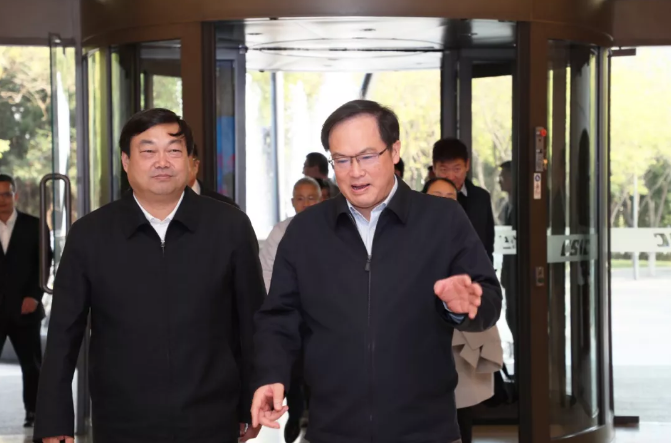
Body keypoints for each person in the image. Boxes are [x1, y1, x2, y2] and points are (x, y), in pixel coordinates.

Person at [251, 100, 501, 443]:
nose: (355, 172)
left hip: (427, 431)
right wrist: (270, 374)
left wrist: (462, 306)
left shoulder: (443, 220)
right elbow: (279, 317)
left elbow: (488, 300)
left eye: (367, 156)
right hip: (332, 430)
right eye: (341, 160)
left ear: (394, 151)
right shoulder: (306, 232)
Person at [34, 109, 265, 443]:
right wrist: (54, 421)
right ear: (126, 161)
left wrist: (250, 402)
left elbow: (252, 322)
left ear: (190, 161)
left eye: (174, 150)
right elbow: (63, 334)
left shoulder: (230, 226)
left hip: (211, 417)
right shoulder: (90, 234)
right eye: (148, 151)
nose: (162, 162)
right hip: (122, 420)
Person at [422, 178, 503, 443]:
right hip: (420, 345)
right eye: (436, 195)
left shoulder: (464, 236)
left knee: (461, 408)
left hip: (460, 336)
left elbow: (488, 292)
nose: (443, 202)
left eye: (450, 197)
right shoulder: (408, 235)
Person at [259, 176, 321, 443]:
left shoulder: (333, 230)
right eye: (300, 198)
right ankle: (296, 415)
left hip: (324, 318)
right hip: (292, 315)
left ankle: (313, 419)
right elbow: (266, 273)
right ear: (293, 202)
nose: (305, 204)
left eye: (311, 198)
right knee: (294, 371)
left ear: (321, 199)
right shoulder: (280, 232)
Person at [0, 174, 50, 428]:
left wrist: (34, 295)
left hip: (25, 308)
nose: (2, 200)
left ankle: (34, 412)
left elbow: (44, 263)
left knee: (32, 367)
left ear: (15, 195)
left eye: (6, 194)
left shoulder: (35, 225)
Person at [433, 138, 495, 263]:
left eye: (457, 169)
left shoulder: (481, 198)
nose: (451, 176)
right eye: (444, 170)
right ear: (434, 168)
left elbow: (487, 245)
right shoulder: (421, 198)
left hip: (472, 271)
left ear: (467, 165)